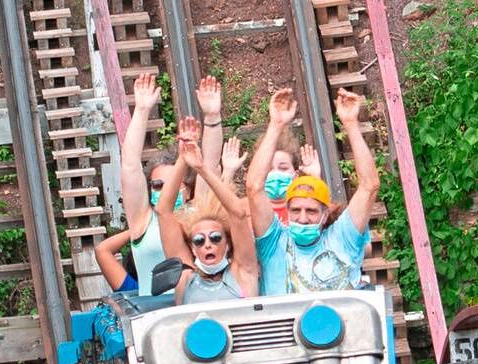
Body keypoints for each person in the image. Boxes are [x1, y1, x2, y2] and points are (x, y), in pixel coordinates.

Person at [246, 87, 379, 295]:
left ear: (325, 214)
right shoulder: (275, 243)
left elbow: (369, 185)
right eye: (296, 210)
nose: (302, 218)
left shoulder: (342, 236)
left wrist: (351, 125)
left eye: (311, 211)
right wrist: (276, 125)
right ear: (287, 212)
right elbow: (254, 187)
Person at [121, 73, 225, 295]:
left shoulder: (198, 213)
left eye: (173, 184)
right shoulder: (143, 220)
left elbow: (211, 163)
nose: (165, 190)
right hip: (154, 314)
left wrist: (212, 116)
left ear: (187, 190)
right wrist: (141, 110)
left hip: (195, 308)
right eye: (158, 185)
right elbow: (130, 165)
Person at [154, 118, 258, 304]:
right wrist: (183, 159)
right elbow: (163, 212)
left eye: (216, 238)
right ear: (192, 248)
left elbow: (238, 214)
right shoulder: (185, 278)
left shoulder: (243, 272)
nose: (207, 244)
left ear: (228, 244)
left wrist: (202, 169)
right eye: (199, 241)